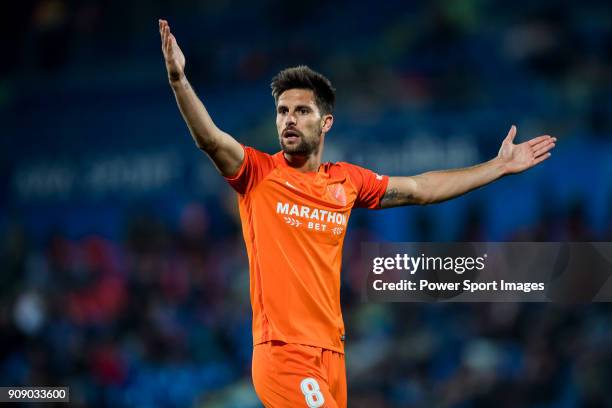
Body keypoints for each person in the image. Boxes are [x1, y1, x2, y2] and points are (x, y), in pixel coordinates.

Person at [158, 19, 556, 408]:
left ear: (326, 122)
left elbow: (420, 189)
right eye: (282, 111)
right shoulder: (259, 174)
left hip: (332, 354)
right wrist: (179, 80)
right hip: (285, 354)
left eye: (301, 110)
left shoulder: (346, 181)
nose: (289, 119)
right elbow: (209, 138)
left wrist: (498, 166)